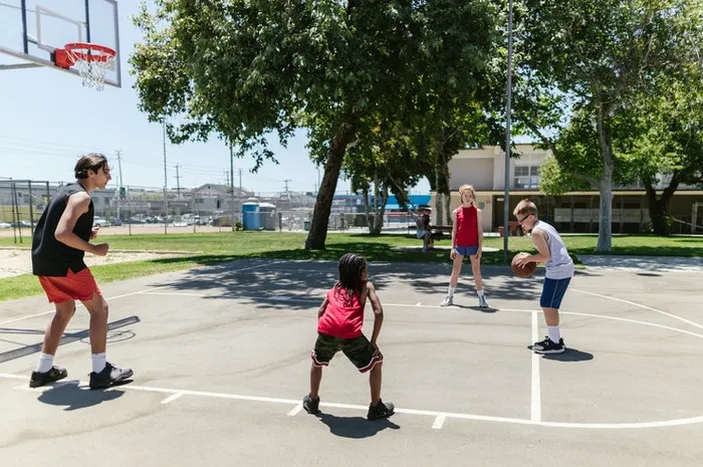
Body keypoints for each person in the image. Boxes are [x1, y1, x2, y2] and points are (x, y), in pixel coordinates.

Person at [29, 153, 133, 389]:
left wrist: (85, 234)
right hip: (65, 265)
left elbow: (59, 229)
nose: (109, 176)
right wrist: (93, 249)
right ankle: (100, 371)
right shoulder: (81, 198)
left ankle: (43, 370)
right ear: (90, 172)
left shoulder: (67, 191)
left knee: (64, 311)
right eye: (105, 171)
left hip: (44, 263)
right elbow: (61, 234)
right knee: (100, 308)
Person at [302, 253, 394, 420]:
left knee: (317, 362)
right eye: (365, 269)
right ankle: (376, 407)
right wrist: (373, 341)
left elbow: (321, 310)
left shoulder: (336, 286)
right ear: (361, 273)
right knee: (376, 362)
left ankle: (313, 400)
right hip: (351, 333)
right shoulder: (366, 286)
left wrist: (322, 332)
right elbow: (379, 312)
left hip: (327, 330)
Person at [513, 198, 574, 354]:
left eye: (522, 221)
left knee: (548, 305)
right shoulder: (544, 226)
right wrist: (534, 259)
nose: (521, 224)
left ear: (531, 216)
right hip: (560, 268)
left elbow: (545, 256)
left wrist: (528, 259)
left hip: (559, 271)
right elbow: (550, 253)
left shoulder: (536, 232)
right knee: (548, 304)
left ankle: (555, 344)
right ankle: (554, 338)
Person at [441, 184, 488, 308]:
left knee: (476, 271)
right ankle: (449, 297)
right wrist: (452, 247)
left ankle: (482, 298)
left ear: (473, 197)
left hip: (473, 245)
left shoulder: (477, 212)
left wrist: (479, 248)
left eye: (470, 196)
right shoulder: (456, 212)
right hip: (459, 246)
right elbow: (454, 231)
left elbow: (479, 231)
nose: (467, 197)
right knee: (455, 271)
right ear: (461, 197)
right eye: (465, 195)